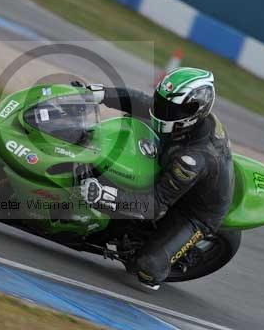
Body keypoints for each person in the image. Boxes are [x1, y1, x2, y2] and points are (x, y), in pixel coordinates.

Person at [79, 67, 234, 290]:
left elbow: (156, 205)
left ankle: (163, 264)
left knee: (145, 267)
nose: (160, 109)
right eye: (162, 102)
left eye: (169, 108)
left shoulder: (192, 160)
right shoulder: (181, 120)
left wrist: (106, 196)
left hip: (194, 211)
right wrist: (100, 94)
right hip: (176, 168)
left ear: (192, 113)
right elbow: (141, 101)